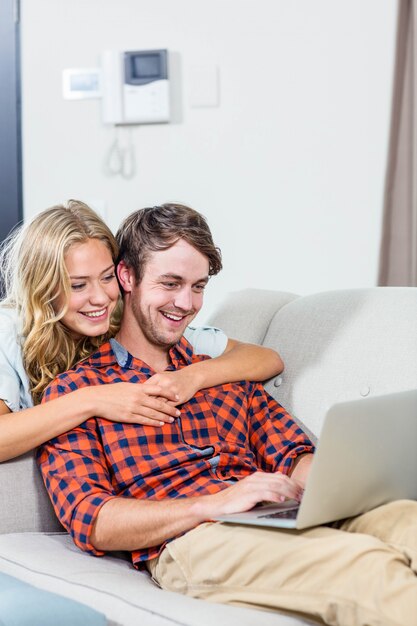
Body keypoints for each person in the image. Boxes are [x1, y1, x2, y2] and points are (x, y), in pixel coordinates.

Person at [37, 203, 417, 626]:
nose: (186, 303)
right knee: (368, 569)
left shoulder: (221, 373)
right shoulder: (76, 392)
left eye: (198, 286)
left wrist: (341, 490)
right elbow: (93, 520)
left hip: (270, 516)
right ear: (127, 277)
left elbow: (293, 455)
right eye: (171, 283)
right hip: (194, 539)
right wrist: (212, 504)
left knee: (410, 522)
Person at [0, 200, 284, 463]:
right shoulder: (8, 330)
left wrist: (190, 378)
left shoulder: (132, 322)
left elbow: (264, 358)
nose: (101, 298)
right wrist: (93, 399)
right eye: (78, 285)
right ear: (43, 288)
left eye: (107, 277)